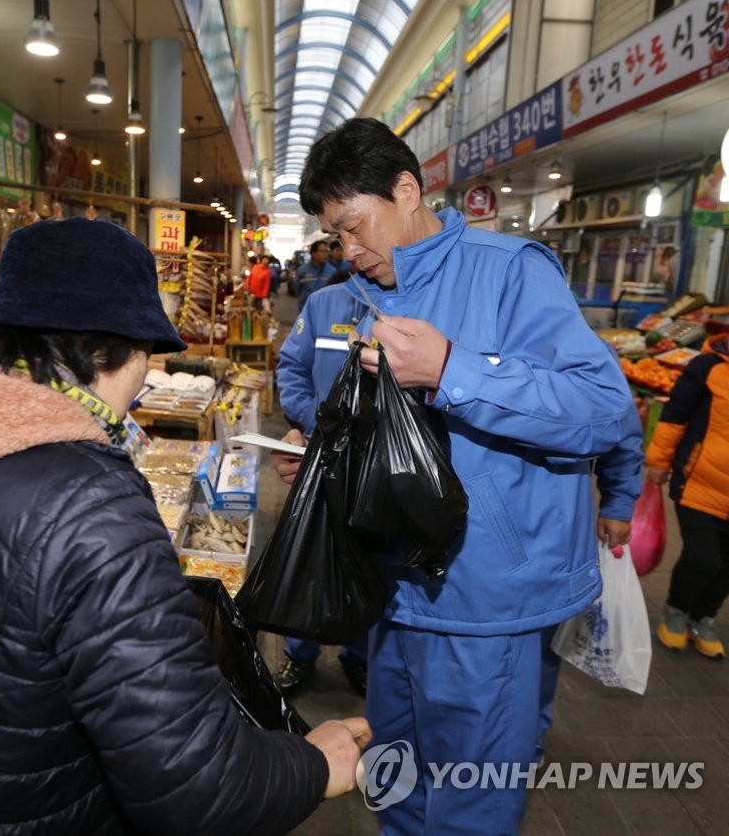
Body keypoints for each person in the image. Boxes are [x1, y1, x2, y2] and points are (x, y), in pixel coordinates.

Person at [0, 216, 370, 835]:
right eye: (146, 354)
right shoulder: (92, 505)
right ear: (112, 350)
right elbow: (193, 784)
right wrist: (314, 764)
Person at [272, 118, 635, 834]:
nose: (347, 251)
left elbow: (603, 409)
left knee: (470, 804)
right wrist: (321, 453)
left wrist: (450, 370)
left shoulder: (510, 272)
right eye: (334, 237)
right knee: (396, 786)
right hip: (392, 592)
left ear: (406, 191)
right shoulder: (357, 295)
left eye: (353, 227)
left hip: (484, 602)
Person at [274, 281, 372, 697]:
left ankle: (360, 656)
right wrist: (314, 419)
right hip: (321, 453)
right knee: (308, 554)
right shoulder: (323, 304)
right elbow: (292, 367)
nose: (353, 251)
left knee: (368, 562)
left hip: (378, 467)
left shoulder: (416, 303)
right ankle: (299, 652)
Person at [537, 403, 643, 761]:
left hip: (550, 537)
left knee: (539, 649)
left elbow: (619, 420)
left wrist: (618, 502)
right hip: (450, 537)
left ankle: (526, 738)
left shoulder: (580, 361)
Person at [647, 332, 729, 659]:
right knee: (703, 558)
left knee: (726, 566)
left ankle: (702, 618)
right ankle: (676, 611)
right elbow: (675, 417)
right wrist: (657, 462)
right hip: (699, 483)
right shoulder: (706, 366)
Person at [295, 239, 334, 309]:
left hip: (325, 308)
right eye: (322, 251)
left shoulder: (332, 271)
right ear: (313, 253)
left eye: (327, 251)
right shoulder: (302, 270)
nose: (325, 254)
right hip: (307, 308)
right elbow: (297, 290)